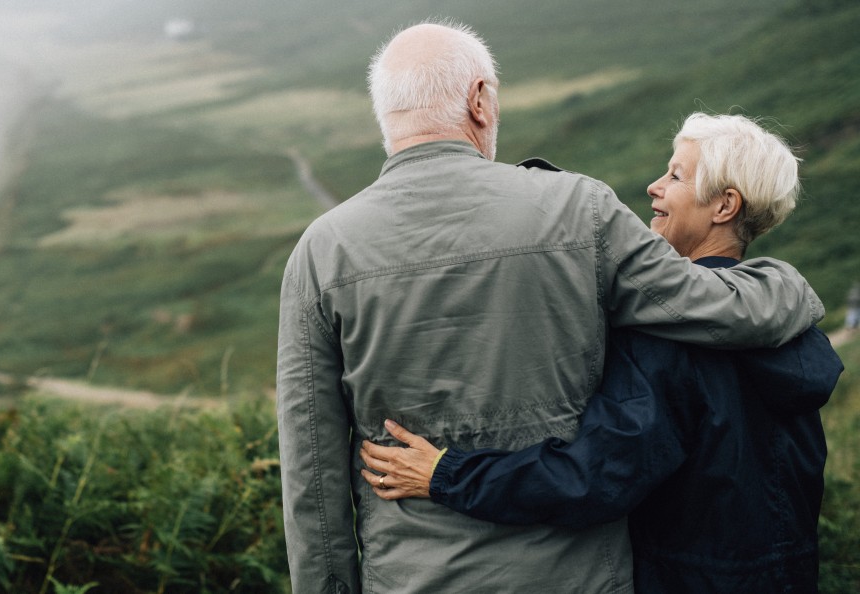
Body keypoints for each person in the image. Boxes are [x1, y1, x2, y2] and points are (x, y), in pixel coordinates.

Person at [277, 21, 826, 594]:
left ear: (385, 114)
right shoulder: (580, 210)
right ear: (480, 99)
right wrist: (789, 286)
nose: (656, 187)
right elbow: (713, 306)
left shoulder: (320, 251)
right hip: (582, 578)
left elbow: (311, 471)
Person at [359, 112, 844, 592]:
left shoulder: (670, 340)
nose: (655, 187)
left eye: (676, 175)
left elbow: (593, 479)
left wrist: (447, 474)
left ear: (724, 206)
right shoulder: (792, 328)